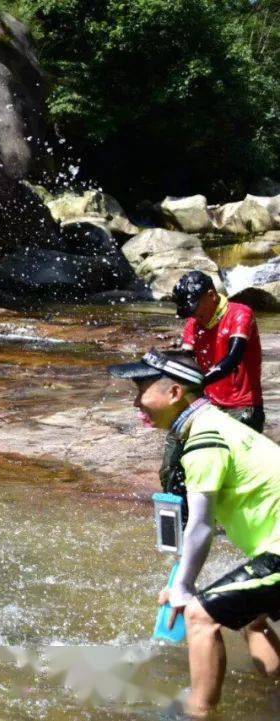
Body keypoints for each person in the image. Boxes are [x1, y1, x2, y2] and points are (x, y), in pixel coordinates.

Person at [108, 349, 280, 716]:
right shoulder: (212, 426)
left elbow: (201, 527)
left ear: (174, 393)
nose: (135, 400)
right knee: (251, 616)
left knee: (201, 614)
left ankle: (196, 712)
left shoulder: (204, 439)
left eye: (141, 388)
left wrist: (183, 588)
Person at [174, 271, 264, 432]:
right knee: (175, 437)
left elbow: (232, 359)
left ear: (211, 295)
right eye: (189, 312)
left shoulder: (240, 313)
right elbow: (184, 360)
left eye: (194, 309)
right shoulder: (194, 323)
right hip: (208, 405)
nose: (193, 315)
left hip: (243, 406)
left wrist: (199, 382)